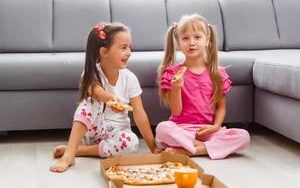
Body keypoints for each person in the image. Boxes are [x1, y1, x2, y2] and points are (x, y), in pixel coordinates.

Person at [50, 22, 160, 172]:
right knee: (90, 101)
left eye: (130, 47)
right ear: (104, 52)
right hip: (94, 130)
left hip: (117, 133)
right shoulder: (90, 74)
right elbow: (95, 91)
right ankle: (69, 155)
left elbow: (139, 114)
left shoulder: (130, 78)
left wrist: (153, 147)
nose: (129, 52)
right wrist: (110, 99)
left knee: (131, 142)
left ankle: (78, 150)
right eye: (123, 48)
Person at [155, 14, 250, 159]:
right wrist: (176, 88)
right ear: (178, 43)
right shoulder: (173, 74)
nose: (191, 42)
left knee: (243, 136)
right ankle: (204, 149)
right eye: (185, 38)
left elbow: (221, 107)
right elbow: (176, 111)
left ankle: (188, 150)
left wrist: (216, 126)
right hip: (182, 130)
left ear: (207, 40)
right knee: (162, 128)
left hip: (208, 131)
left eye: (197, 37)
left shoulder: (218, 74)